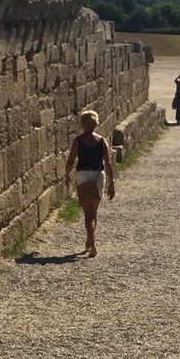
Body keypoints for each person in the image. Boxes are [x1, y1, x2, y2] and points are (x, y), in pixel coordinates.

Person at [64, 109, 116, 256]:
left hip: (82, 176)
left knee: (88, 213)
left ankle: (92, 243)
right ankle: (90, 241)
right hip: (99, 176)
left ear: (83, 124)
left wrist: (67, 175)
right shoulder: (102, 141)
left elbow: (70, 161)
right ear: (95, 123)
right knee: (93, 211)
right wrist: (111, 183)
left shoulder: (78, 141)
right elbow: (108, 163)